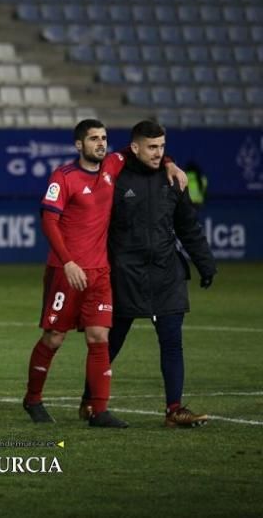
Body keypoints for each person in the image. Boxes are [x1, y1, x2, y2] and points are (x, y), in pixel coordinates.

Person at [22, 119, 187, 427]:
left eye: (104, 138)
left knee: (99, 337)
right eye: (94, 138)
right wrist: (68, 261)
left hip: (100, 272)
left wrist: (170, 163)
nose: (100, 143)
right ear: (78, 145)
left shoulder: (113, 166)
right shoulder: (64, 177)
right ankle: (32, 399)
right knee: (54, 338)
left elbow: (140, 148)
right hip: (66, 271)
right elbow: (48, 220)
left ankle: (98, 410)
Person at [79, 120, 216, 428]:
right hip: (125, 273)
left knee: (172, 341)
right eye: (152, 147)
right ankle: (89, 399)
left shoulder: (174, 180)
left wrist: (205, 263)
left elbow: (188, 227)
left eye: (163, 147)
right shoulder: (114, 178)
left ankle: (174, 409)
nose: (159, 153)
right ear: (136, 148)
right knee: (111, 340)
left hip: (166, 273)